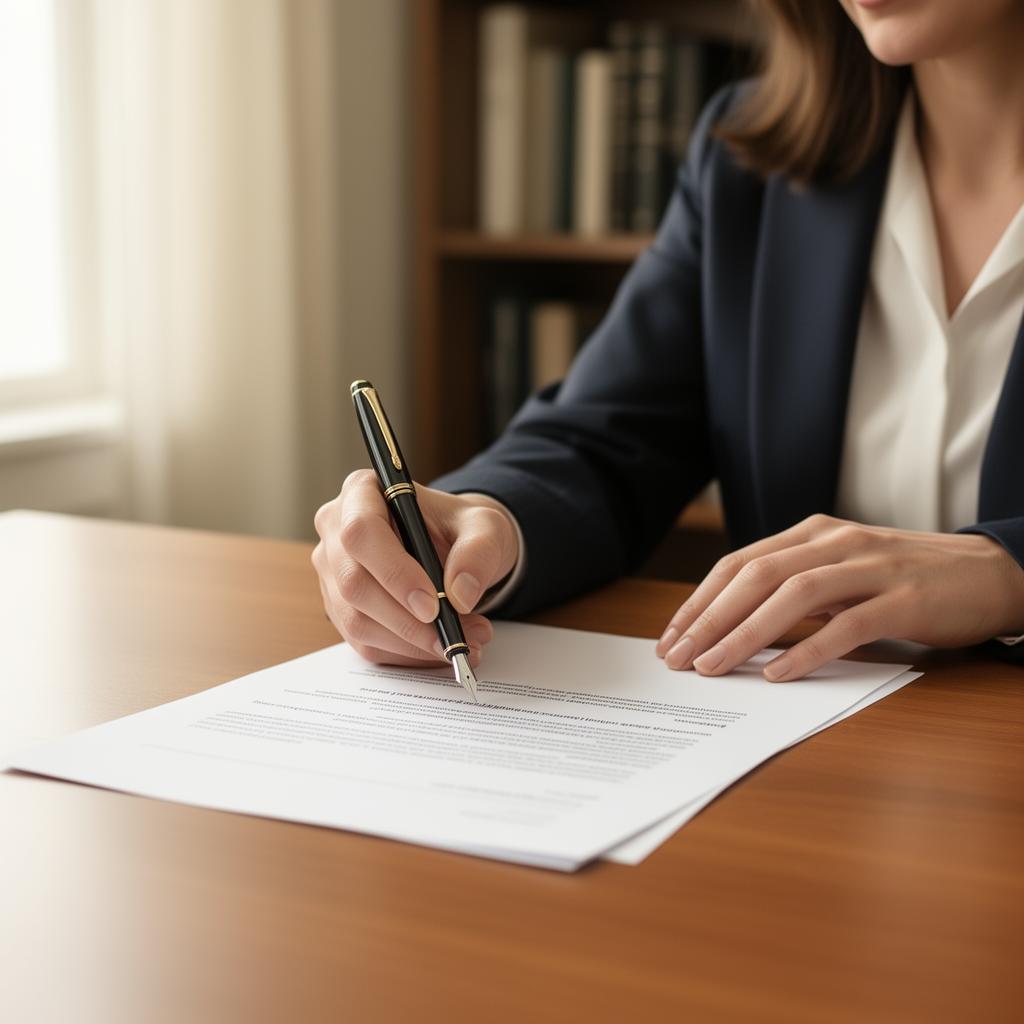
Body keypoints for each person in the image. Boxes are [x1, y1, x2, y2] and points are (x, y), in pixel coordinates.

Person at [313, 0, 1024, 681]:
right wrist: (479, 521)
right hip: (812, 754)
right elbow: (607, 439)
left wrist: (1008, 574)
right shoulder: (751, 162)